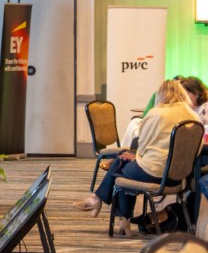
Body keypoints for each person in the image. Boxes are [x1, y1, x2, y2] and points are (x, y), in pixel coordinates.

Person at [73, 79, 199, 234]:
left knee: (120, 165)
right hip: (179, 178)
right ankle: (113, 212)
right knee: (123, 160)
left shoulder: (156, 114)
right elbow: (196, 150)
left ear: (161, 95)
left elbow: (142, 146)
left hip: (154, 173)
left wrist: (134, 156)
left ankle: (108, 207)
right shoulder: (193, 116)